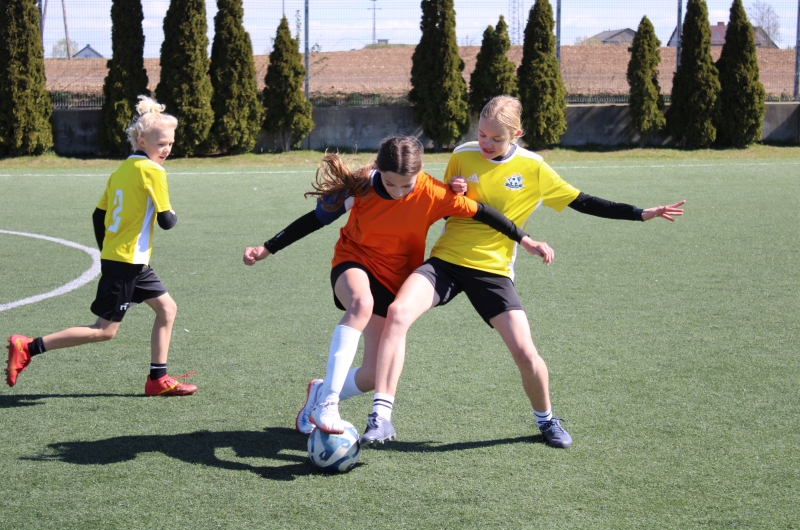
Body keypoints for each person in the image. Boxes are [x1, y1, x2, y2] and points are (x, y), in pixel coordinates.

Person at [359, 95, 685, 448]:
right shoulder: (463, 154)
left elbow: (583, 201)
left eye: (496, 138)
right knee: (398, 312)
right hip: (447, 259)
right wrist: (456, 191)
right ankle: (381, 417)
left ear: (517, 134)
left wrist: (639, 213)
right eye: (482, 134)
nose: (486, 143)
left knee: (525, 353)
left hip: (493, 269)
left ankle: (547, 420)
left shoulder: (534, 167)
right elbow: (451, 208)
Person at [243, 136, 553, 435]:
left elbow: (482, 211)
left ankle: (319, 392)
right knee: (361, 304)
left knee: (373, 375)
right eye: (391, 184)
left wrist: (524, 239)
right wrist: (267, 248)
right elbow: (314, 220)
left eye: (407, 185)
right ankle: (329, 403)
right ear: (379, 168)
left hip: (393, 281)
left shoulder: (433, 192)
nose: (398, 191)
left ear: (420, 172)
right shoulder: (361, 187)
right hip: (353, 263)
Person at [5, 96, 197, 396]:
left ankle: (157, 379)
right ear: (142, 141)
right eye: (162, 144)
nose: (167, 149)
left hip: (128, 261)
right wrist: (173, 213)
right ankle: (29, 347)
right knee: (104, 331)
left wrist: (107, 253)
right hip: (127, 262)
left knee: (167, 309)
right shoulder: (153, 171)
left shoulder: (120, 171)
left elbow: (98, 216)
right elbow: (167, 221)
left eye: (171, 143)